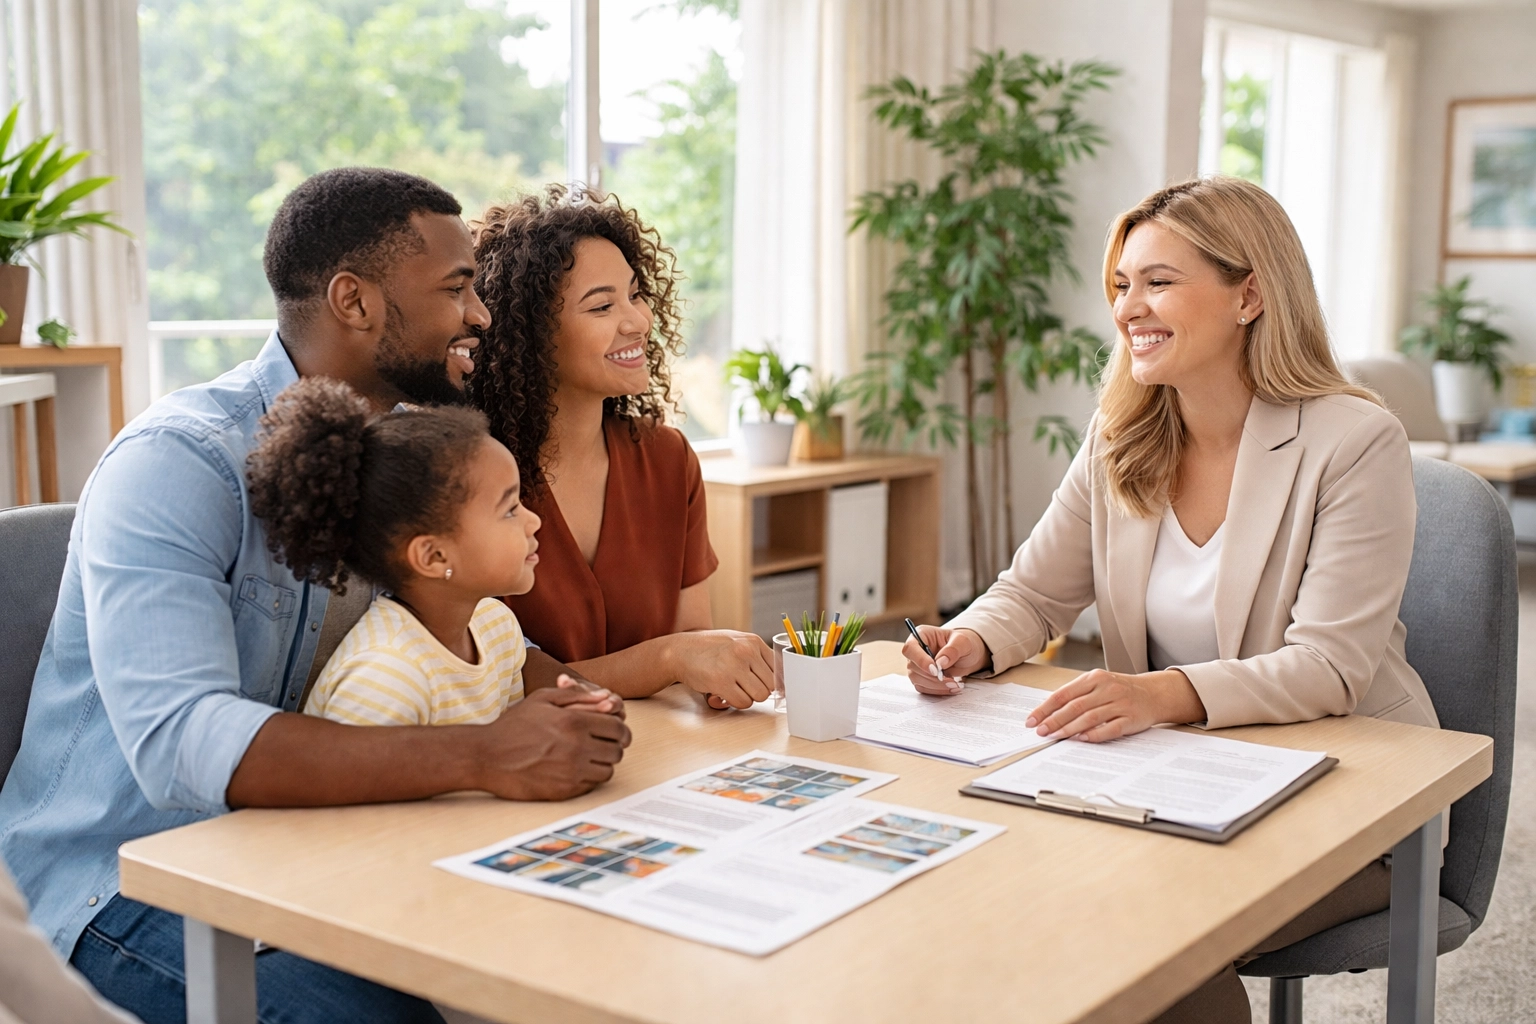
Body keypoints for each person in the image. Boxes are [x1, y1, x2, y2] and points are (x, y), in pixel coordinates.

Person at [0, 168, 630, 1024]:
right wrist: (485, 754)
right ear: (354, 301)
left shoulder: (398, 459)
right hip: (116, 885)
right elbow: (181, 741)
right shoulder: (177, 462)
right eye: (455, 288)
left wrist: (574, 699)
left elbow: (459, 638)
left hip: (295, 858)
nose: (480, 313)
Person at [900, 176, 1438, 1023]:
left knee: (1151, 941)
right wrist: (969, 641)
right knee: (1011, 892)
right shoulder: (1123, 434)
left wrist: (1157, 695)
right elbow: (1036, 592)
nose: (1128, 308)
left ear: (1249, 294)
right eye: (1121, 286)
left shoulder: (1354, 440)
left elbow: (1330, 668)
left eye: (1158, 281)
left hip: (1348, 790)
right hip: (1175, 777)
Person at [469, 185, 776, 711]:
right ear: (531, 333)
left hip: (652, 757)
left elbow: (692, 643)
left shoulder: (669, 458)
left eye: (635, 294)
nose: (636, 320)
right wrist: (668, 660)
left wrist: (720, 672)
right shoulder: (472, 477)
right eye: (602, 306)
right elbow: (485, 680)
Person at [246, 377, 591, 727]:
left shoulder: (494, 625)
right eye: (509, 510)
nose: (534, 521)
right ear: (433, 557)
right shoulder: (384, 678)